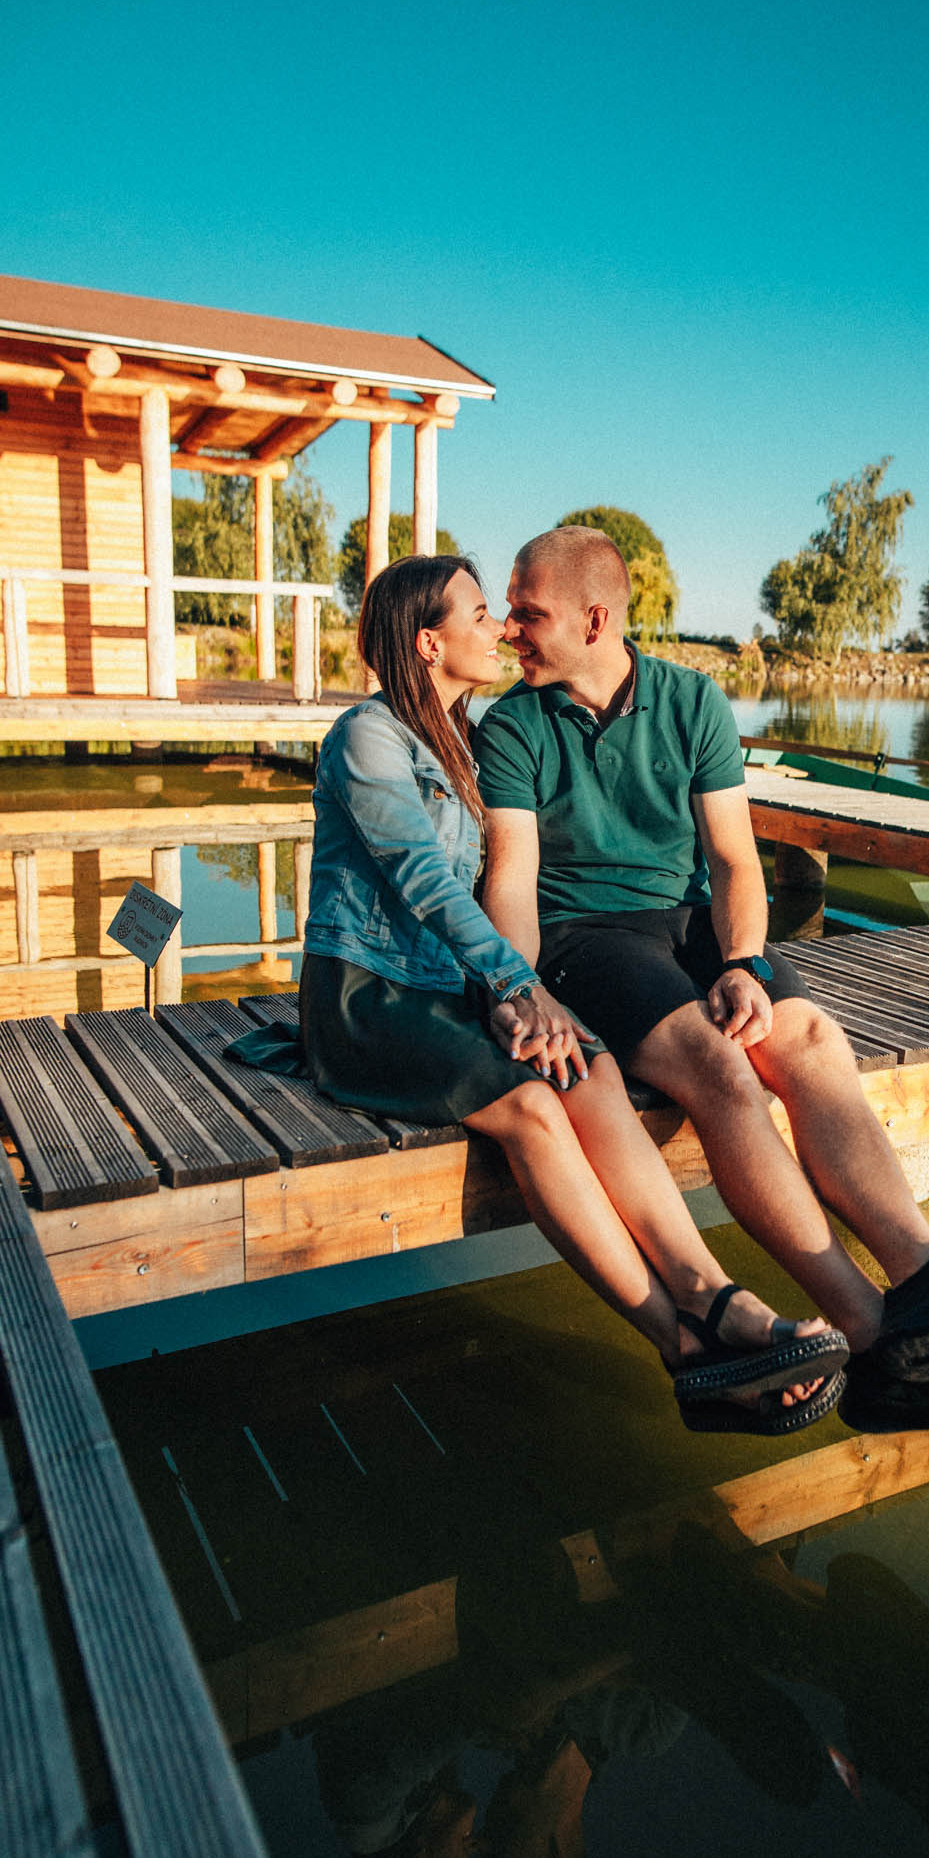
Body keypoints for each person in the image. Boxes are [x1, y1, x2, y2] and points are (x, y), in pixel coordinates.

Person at [474, 528, 929, 1433]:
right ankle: (867, 1328)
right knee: (718, 1068)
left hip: (687, 924)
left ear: (595, 618)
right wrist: (519, 985)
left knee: (806, 1036)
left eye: (527, 613)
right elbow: (512, 880)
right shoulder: (514, 726)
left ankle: (927, 1273)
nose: (507, 629)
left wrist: (740, 963)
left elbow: (733, 860)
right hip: (584, 937)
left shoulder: (690, 700)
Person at [244, 552, 848, 1435]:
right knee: (531, 1105)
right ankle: (683, 1347)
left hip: (449, 991)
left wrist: (511, 993)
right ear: (426, 642)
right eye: (481, 613)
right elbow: (424, 882)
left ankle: (709, 1293)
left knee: (590, 1070)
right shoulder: (366, 739)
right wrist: (518, 984)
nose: (499, 629)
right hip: (368, 999)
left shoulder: (459, 733)